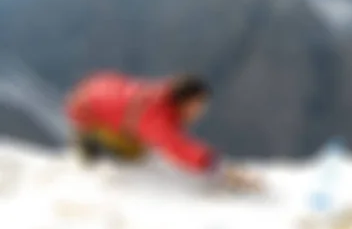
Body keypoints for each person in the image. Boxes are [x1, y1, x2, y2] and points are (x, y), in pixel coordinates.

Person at [64, 71, 261, 191]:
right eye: (198, 105)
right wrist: (216, 167)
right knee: (135, 153)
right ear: (186, 102)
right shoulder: (156, 116)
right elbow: (177, 147)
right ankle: (90, 142)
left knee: (140, 141)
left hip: (96, 89)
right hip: (85, 113)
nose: (201, 111)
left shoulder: (161, 95)